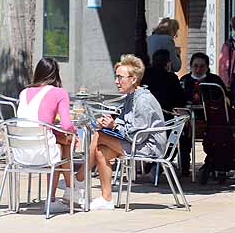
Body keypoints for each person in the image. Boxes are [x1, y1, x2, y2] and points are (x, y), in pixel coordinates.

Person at [88, 55, 166, 211]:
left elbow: (139, 135)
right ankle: (106, 198)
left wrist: (114, 126)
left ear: (133, 79)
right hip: (136, 142)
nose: (117, 81)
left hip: (148, 147)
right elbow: (125, 121)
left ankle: (80, 178)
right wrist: (109, 123)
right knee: (101, 150)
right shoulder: (131, 96)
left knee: (99, 135)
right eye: (116, 77)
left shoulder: (142, 100)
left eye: (120, 77)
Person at [15, 57, 81, 204]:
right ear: (56, 74)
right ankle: (67, 192)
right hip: (43, 152)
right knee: (66, 144)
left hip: (19, 153)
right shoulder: (59, 92)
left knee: (61, 143)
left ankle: (69, 192)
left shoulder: (24, 92)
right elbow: (67, 125)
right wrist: (74, 133)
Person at [141, 49, 184, 115]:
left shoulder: (143, 75)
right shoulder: (171, 78)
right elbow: (179, 100)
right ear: (168, 63)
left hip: (144, 113)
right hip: (165, 116)